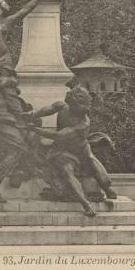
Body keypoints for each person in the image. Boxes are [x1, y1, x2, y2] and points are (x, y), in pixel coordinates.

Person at [23, 85, 117, 217]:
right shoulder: (62, 106)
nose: (84, 111)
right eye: (81, 106)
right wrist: (31, 115)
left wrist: (34, 129)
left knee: (105, 179)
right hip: (62, 151)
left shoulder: (84, 124)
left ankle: (106, 188)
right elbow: (47, 110)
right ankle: (86, 205)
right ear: (73, 104)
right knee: (67, 172)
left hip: (82, 151)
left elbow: (58, 135)